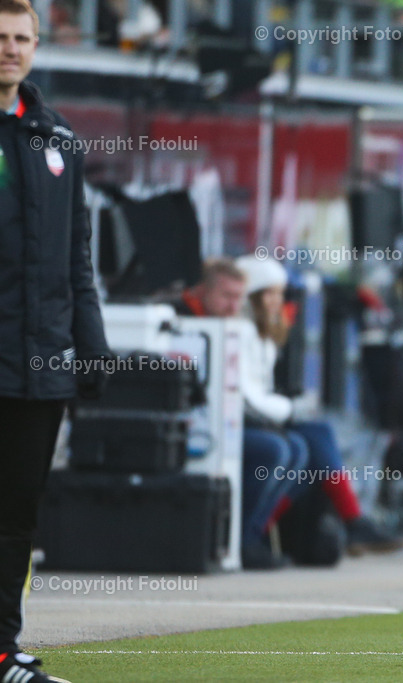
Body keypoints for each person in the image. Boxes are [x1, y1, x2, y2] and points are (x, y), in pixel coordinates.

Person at [0, 0, 110, 680]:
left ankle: (4, 650)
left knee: (16, 519)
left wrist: (90, 347)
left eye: (20, 38)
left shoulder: (56, 138)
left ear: (37, 46)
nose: (9, 49)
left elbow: (78, 260)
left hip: (37, 369)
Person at [234, 256, 403, 566]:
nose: (277, 301)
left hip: (260, 419)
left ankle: (254, 535)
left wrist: (290, 408)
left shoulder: (265, 333)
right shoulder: (241, 331)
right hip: (240, 423)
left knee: (308, 447)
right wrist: (291, 409)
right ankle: (251, 537)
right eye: (270, 293)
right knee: (296, 446)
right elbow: (247, 396)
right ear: (253, 295)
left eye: (280, 293)